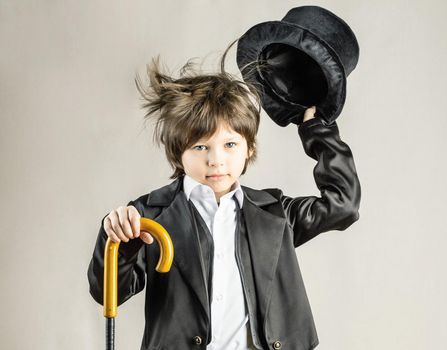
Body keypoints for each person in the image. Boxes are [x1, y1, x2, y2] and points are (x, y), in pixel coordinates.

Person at [87, 45, 361, 350]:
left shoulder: (275, 213)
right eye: (200, 147)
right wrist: (119, 241)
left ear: (249, 149)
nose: (216, 160)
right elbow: (107, 292)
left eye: (230, 144)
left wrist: (317, 132)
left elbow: (343, 205)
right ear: (178, 154)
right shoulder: (149, 216)